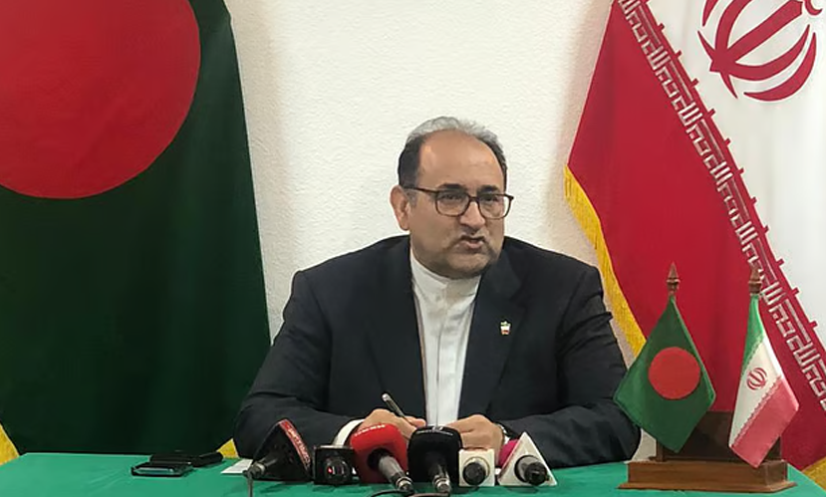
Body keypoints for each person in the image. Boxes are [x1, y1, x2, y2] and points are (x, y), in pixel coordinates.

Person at [235, 117, 640, 467]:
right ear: (403, 207)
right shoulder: (332, 291)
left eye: (490, 198)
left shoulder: (562, 289)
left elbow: (617, 420)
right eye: (451, 197)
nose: (475, 219)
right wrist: (357, 434)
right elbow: (260, 417)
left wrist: (506, 439)